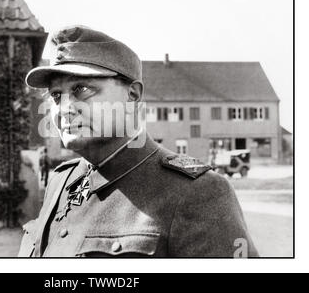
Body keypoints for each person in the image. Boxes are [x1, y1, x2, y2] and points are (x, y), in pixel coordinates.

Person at [18, 25, 258, 257]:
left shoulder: (198, 193)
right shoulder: (61, 181)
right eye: (57, 96)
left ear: (132, 95)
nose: (65, 109)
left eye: (82, 89)